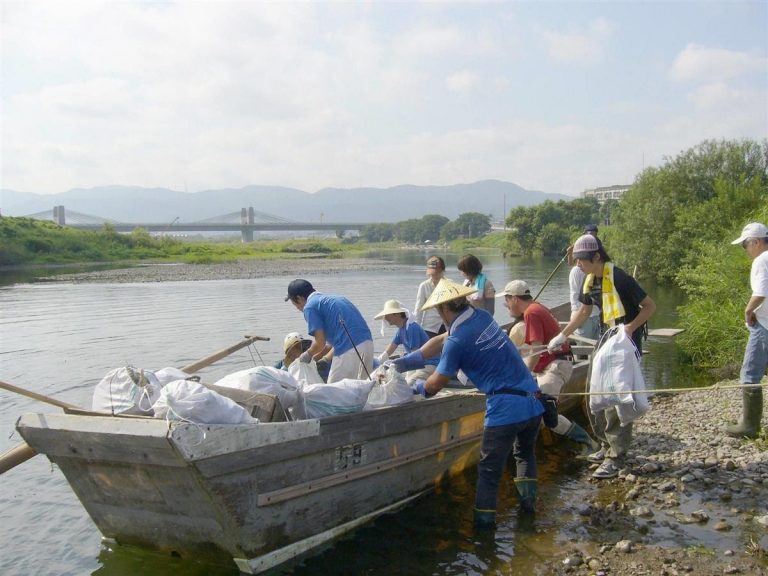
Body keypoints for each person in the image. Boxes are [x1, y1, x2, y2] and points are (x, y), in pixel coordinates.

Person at [393, 278, 543, 524]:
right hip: (532, 400)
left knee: (489, 472)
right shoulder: (480, 316)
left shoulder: (458, 341)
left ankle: (484, 532)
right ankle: (529, 512)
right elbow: (440, 340)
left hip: (505, 410)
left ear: (443, 309)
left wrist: (412, 390)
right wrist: (406, 361)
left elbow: (435, 384)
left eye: (438, 311)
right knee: (524, 455)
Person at [549, 234, 656, 479]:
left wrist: (630, 327)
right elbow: (585, 310)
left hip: (625, 343)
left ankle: (617, 456)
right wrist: (563, 335)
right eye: (576, 261)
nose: (578, 265)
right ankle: (605, 444)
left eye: (582, 261)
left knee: (616, 397)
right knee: (594, 393)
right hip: (606, 338)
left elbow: (650, 306)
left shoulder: (619, 277)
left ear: (596, 257)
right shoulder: (590, 280)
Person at [498, 280, 599, 451]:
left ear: (514, 299)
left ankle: (590, 444)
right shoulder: (537, 308)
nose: (506, 306)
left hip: (554, 366)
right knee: (540, 411)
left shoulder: (531, 312)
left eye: (506, 301)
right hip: (552, 365)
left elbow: (535, 349)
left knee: (549, 417)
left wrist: (522, 376)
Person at [725, 222, 768, 438]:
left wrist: (748, 311)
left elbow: (760, 292)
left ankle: (749, 427)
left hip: (764, 325)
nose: (745, 250)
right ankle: (748, 422)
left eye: (745, 245)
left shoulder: (761, 260)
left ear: (757, 242)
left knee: (749, 375)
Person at [285, 279, 373, 382]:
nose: (297, 308)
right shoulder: (336, 298)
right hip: (368, 344)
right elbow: (332, 343)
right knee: (362, 389)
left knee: (332, 393)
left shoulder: (310, 307)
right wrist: (326, 359)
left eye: (294, 304)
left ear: (299, 298)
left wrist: (306, 356)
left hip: (350, 351)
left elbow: (320, 343)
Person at [374, 299, 439, 384]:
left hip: (428, 364)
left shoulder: (411, 327)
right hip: (416, 364)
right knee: (393, 380)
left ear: (396, 314)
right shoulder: (401, 329)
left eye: (387, 315)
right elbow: (392, 347)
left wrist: (396, 363)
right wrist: (378, 361)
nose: (385, 318)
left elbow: (415, 354)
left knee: (408, 385)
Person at [567, 225, 601, 341]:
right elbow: (576, 297)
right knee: (583, 351)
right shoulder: (577, 271)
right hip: (583, 317)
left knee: (597, 350)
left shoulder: (598, 268)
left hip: (596, 315)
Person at [413, 256, 447, 338]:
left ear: (442, 270)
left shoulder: (449, 283)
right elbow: (419, 308)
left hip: (447, 325)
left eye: (436, 272)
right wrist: (416, 329)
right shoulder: (424, 286)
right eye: (431, 273)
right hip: (430, 327)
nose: (433, 275)